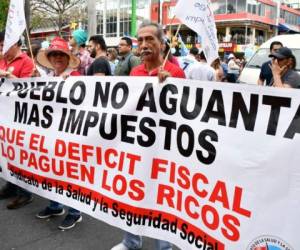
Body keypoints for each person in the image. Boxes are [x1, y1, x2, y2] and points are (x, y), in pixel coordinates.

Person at [111, 21, 185, 250]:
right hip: (138, 147)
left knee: (161, 200)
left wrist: (169, 87)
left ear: (162, 44)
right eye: (140, 40)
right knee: (132, 194)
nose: (143, 45)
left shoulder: (176, 72)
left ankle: (165, 247)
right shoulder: (135, 72)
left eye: (149, 39)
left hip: (163, 150)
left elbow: (183, 116)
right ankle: (130, 241)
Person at [35, 37, 83, 230]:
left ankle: (75, 212)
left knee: (70, 174)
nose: (57, 57)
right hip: (51, 134)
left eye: (61, 54)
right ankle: (55, 205)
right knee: (52, 171)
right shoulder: (49, 78)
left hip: (71, 135)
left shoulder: (77, 77)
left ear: (67, 57)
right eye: (53, 54)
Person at [0, 30, 34, 209]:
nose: (1, 49)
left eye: (3, 45)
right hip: (4, 115)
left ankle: (25, 193)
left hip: (19, 117)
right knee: (5, 153)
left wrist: (6, 75)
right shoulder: (4, 60)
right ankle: (11, 185)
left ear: (15, 44)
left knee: (20, 155)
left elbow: (27, 88)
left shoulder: (27, 62)